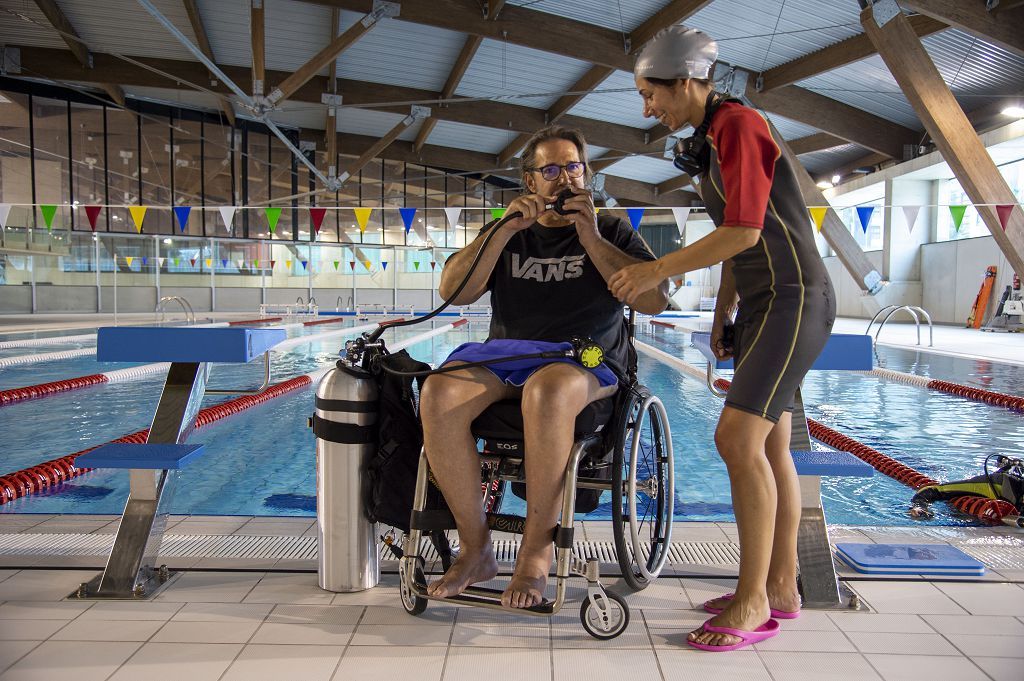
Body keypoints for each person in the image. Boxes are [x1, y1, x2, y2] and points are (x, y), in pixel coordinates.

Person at [609, 26, 836, 651]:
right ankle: (781, 586)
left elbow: (741, 230)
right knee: (772, 447)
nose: (646, 107)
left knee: (737, 439)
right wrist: (723, 310)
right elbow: (740, 235)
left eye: (650, 93)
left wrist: (655, 269)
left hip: (794, 298)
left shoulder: (738, 124)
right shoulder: (710, 140)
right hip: (766, 302)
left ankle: (752, 598)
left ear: (685, 82)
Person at [419, 125, 668, 609]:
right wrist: (502, 230)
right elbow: (453, 290)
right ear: (530, 182)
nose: (563, 179)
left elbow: (656, 299)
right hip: (508, 358)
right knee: (438, 392)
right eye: (550, 170)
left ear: (586, 175)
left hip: (586, 360)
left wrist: (589, 234)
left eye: (573, 167)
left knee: (547, 390)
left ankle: (535, 554)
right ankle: (475, 550)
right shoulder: (507, 231)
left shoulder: (612, 229)